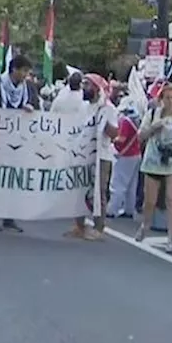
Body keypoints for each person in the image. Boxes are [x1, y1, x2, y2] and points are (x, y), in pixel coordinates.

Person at [0, 55, 36, 232]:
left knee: (13, 178)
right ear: (14, 69)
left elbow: (37, 108)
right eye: (24, 71)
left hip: (18, 140)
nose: (26, 75)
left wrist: (31, 109)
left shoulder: (28, 88)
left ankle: (9, 216)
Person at [136, 83, 172, 253]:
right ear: (161, 99)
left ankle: (170, 238)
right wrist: (154, 127)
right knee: (150, 201)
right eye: (167, 98)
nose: (170, 101)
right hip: (153, 160)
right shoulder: (153, 113)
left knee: (171, 200)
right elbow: (140, 136)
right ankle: (145, 224)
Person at [66, 74, 117, 240]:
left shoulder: (108, 108)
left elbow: (114, 134)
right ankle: (79, 225)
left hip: (101, 156)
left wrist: (103, 121)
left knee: (98, 192)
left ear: (97, 88)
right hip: (82, 154)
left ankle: (99, 227)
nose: (84, 88)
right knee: (78, 189)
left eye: (87, 84)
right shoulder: (83, 107)